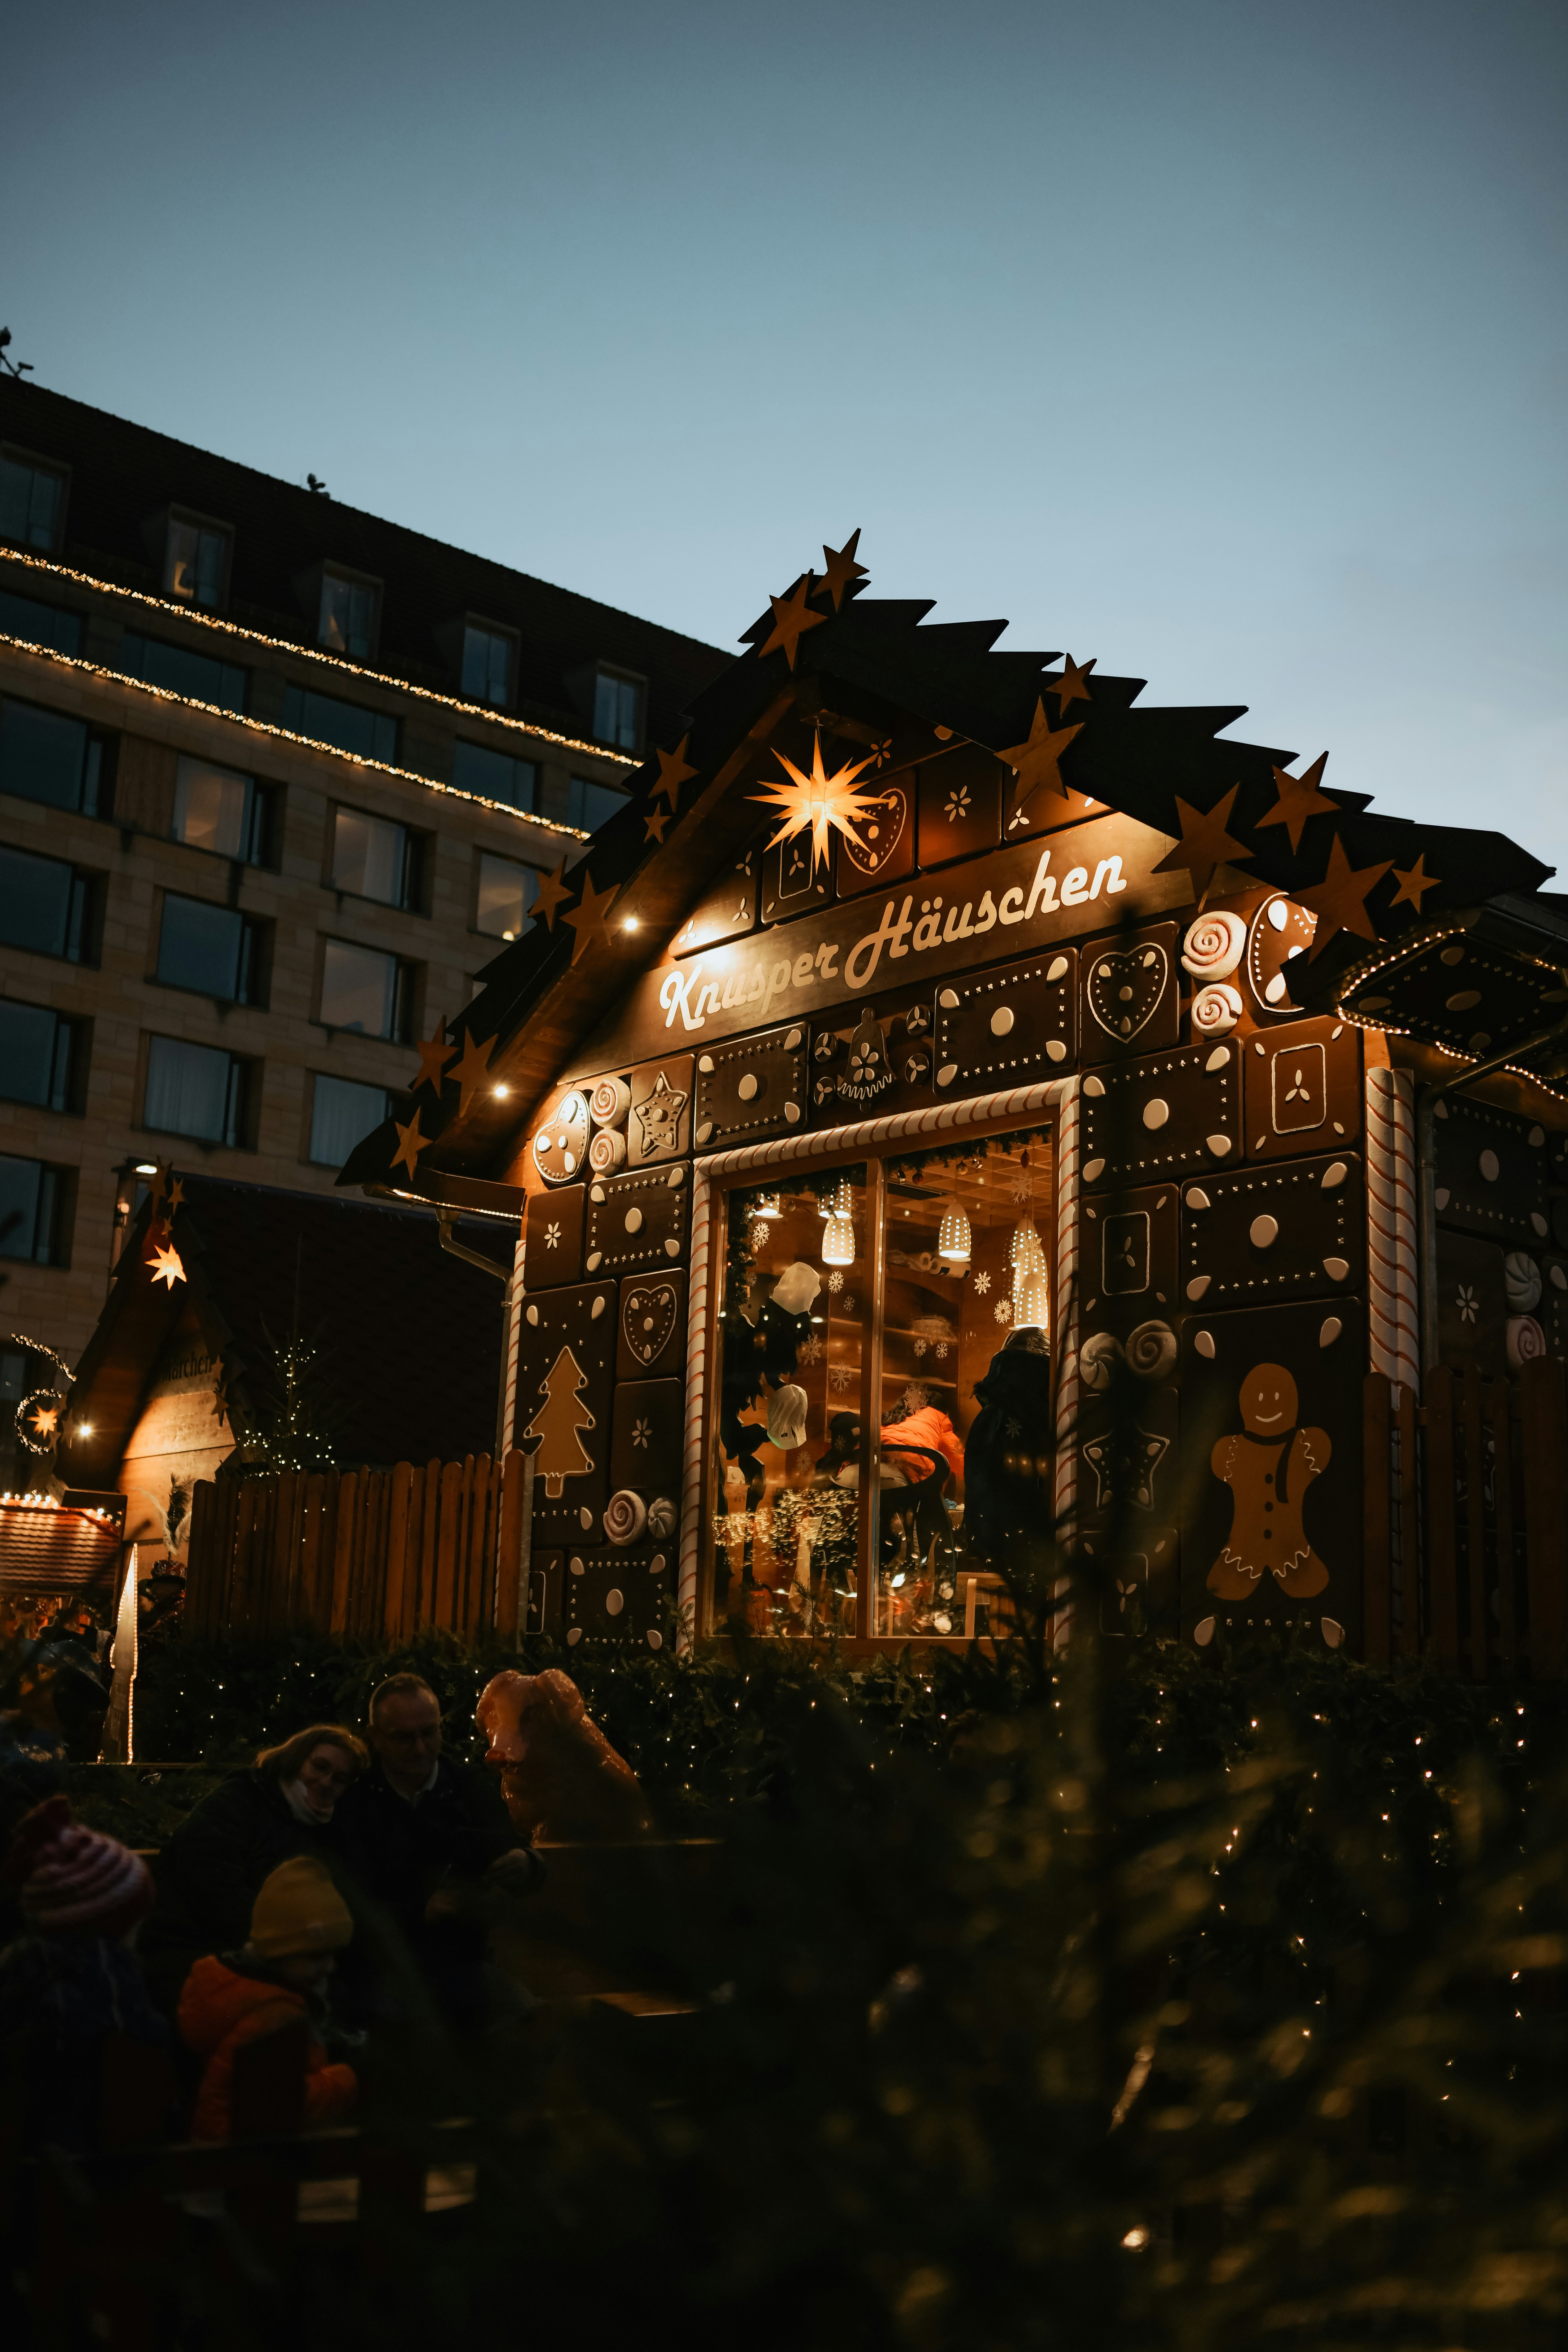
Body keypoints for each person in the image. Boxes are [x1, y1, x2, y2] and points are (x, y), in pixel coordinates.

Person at [332, 1673, 540, 2034]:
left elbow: (513, 1851)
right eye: (404, 1737)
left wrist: (526, 1863)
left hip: (463, 1963)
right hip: (385, 1967)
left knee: (530, 2026)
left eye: (429, 1732)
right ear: (375, 1738)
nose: (420, 1748)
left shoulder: (467, 1787)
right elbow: (348, 1900)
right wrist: (418, 1909)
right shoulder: (355, 1802)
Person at [139, 1722, 368, 2012]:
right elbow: (214, 1885)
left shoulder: (326, 1828)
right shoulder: (240, 1799)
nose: (325, 1782)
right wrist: (278, 1948)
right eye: (320, 1766)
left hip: (275, 1956)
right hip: (193, 1948)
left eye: (339, 1779)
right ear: (297, 1758)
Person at [0, 1795, 171, 2155]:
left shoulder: (22, 1963)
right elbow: (140, 2054)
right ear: (115, 1920)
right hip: (82, 2158)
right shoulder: (108, 1979)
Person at [178, 1856, 358, 2142]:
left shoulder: (256, 1995)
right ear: (277, 1955)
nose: (330, 1967)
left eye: (333, 1955)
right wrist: (348, 2078)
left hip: (230, 2147)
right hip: (245, 2156)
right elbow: (286, 2102)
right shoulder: (274, 2016)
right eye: (316, 1957)